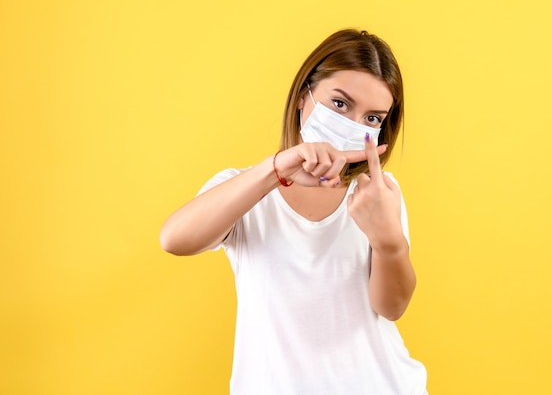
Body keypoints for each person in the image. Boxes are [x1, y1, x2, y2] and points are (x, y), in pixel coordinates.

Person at [160, 29, 428, 395]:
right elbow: (174, 239)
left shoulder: (376, 196)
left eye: (372, 119)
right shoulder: (245, 188)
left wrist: (390, 244)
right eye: (340, 104)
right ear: (304, 97)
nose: (353, 124)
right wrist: (275, 170)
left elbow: (391, 307)